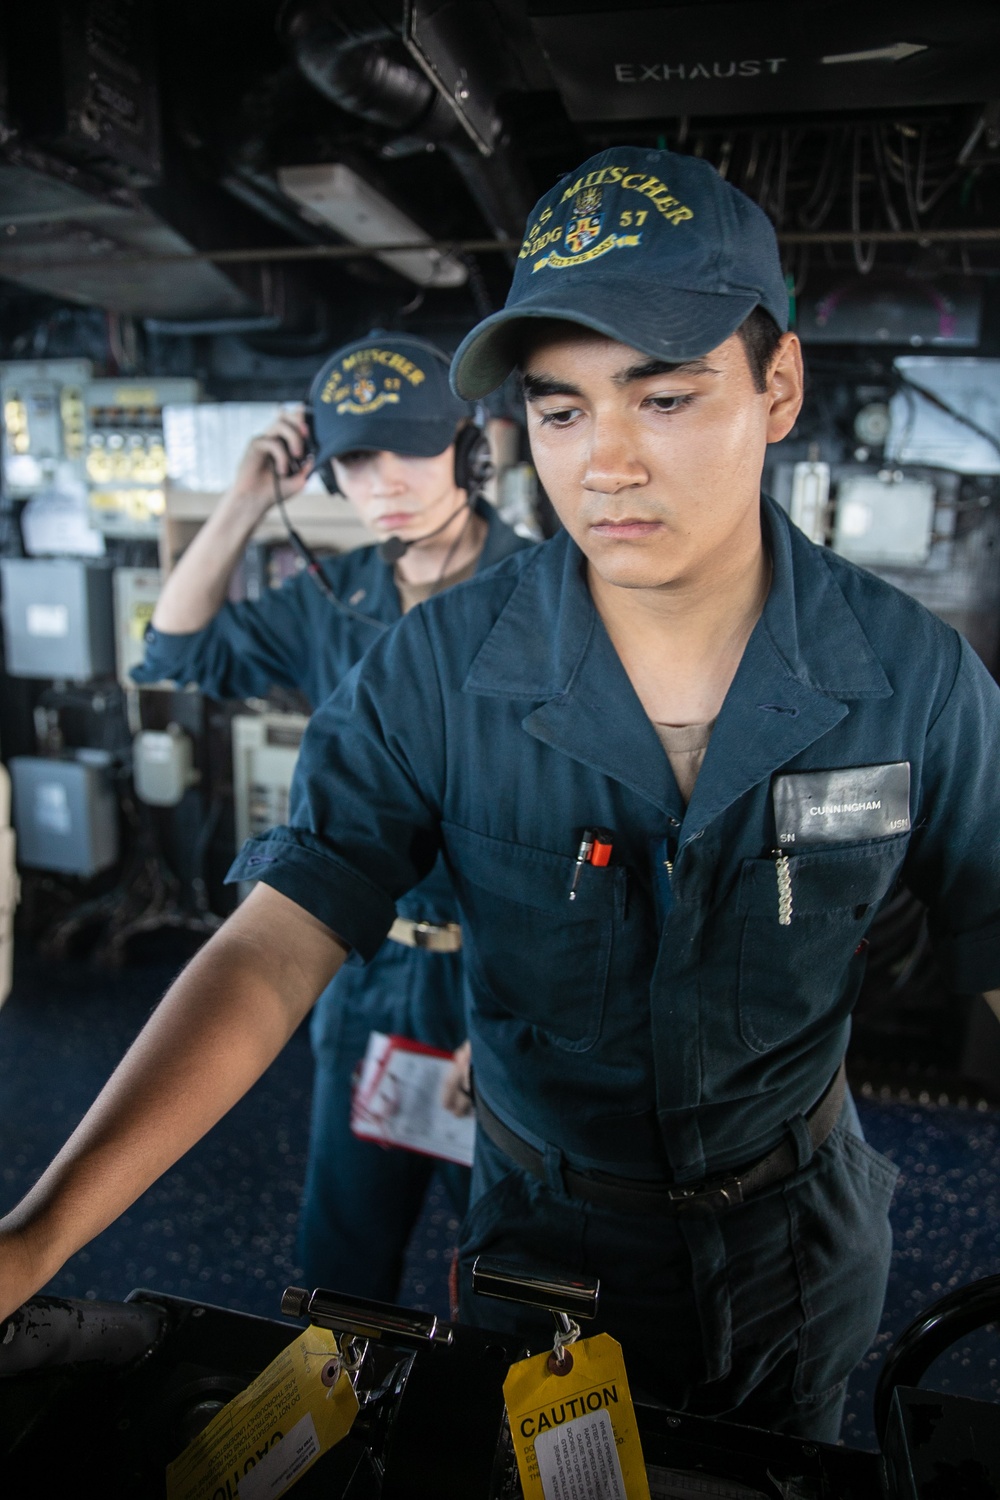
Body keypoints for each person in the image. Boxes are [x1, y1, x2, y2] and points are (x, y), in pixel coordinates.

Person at [3, 148, 999, 1443]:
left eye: (668, 394)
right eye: (564, 409)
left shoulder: (915, 681)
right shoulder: (430, 671)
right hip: (550, 1252)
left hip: (797, 1240)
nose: (611, 462)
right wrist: (36, 1236)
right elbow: (275, 943)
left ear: (780, 385)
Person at [132, 332, 528, 1299]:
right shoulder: (333, 598)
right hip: (364, 967)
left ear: (471, 450)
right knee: (340, 1260)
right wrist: (245, 498)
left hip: (509, 977)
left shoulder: (544, 592)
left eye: (408, 446)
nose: (381, 480)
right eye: (354, 457)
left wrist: (526, 1007)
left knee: (516, 1275)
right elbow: (172, 653)